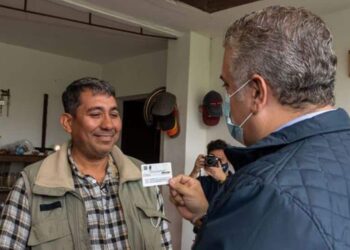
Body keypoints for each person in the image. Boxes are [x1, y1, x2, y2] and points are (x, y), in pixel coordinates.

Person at [169, 5, 350, 249]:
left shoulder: (262, 192)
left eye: (228, 87)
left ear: (256, 92)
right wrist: (205, 216)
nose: (228, 101)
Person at [0, 77, 172, 249]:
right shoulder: (32, 184)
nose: (108, 124)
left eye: (114, 114)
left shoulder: (143, 177)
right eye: (96, 114)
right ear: (68, 123)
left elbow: (164, 245)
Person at [189, 139, 232, 204]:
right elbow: (185, 192)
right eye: (213, 159)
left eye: (220, 159)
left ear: (228, 160)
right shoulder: (203, 181)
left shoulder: (237, 180)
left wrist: (223, 179)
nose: (217, 163)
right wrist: (195, 170)